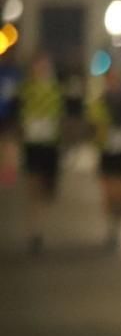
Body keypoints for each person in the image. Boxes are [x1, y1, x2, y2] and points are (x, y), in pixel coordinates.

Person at [87, 66, 121, 250]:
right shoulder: (101, 101)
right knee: (108, 186)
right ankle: (112, 224)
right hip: (107, 148)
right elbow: (94, 124)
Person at [19, 54, 64, 255]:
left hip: (50, 146)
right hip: (32, 145)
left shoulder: (56, 91)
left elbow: (62, 117)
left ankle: (39, 222)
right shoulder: (25, 90)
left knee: (47, 190)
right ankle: (35, 229)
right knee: (33, 186)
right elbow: (17, 114)